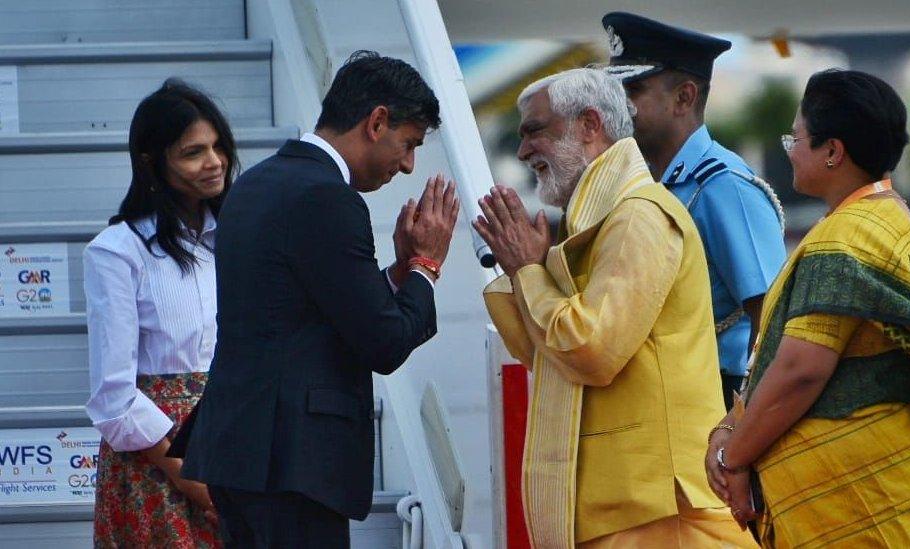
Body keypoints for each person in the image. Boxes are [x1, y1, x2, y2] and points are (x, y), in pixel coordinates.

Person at [178, 51, 457, 547]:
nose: (409, 166)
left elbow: (304, 306)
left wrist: (394, 273)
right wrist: (426, 267)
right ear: (377, 122)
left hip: (239, 452)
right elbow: (383, 343)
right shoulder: (328, 197)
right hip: (293, 464)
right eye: (408, 144)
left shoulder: (256, 182)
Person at [475, 68, 756, 547]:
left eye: (535, 130)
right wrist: (532, 270)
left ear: (589, 126)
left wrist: (528, 271)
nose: (523, 152)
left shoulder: (639, 215)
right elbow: (548, 356)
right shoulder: (598, 224)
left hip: (658, 512)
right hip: (625, 511)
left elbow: (590, 350)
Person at [706, 69, 910, 547]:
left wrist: (732, 456)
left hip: (859, 507)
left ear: (832, 151)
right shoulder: (885, 217)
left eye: (796, 137)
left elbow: (801, 370)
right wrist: (728, 426)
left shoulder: (848, 237)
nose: (790, 149)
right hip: (879, 491)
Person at [601, 13, 787, 409]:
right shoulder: (647, 182)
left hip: (718, 396)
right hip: (665, 393)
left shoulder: (723, 186)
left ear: (684, 98)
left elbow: (772, 321)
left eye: (633, 90)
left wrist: (743, 427)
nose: (619, 105)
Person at [84, 79, 237, 548]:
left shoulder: (236, 238)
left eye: (218, 147)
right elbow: (114, 397)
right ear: (152, 162)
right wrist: (192, 479)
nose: (213, 163)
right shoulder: (117, 251)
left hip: (234, 442)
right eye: (193, 152)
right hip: (157, 461)